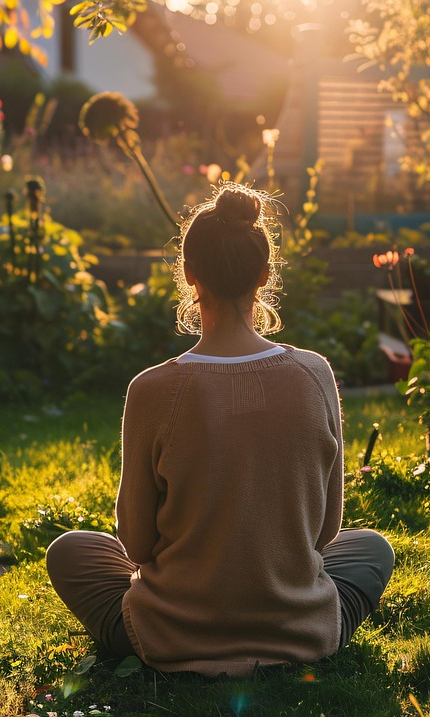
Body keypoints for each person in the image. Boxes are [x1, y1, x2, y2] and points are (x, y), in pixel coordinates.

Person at [45, 182, 395, 678]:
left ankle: (181, 635)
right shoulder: (315, 374)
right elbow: (325, 533)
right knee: (373, 548)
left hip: (171, 635)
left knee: (70, 550)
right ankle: (304, 631)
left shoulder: (151, 389)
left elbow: (137, 546)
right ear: (266, 274)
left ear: (189, 275)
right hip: (298, 631)